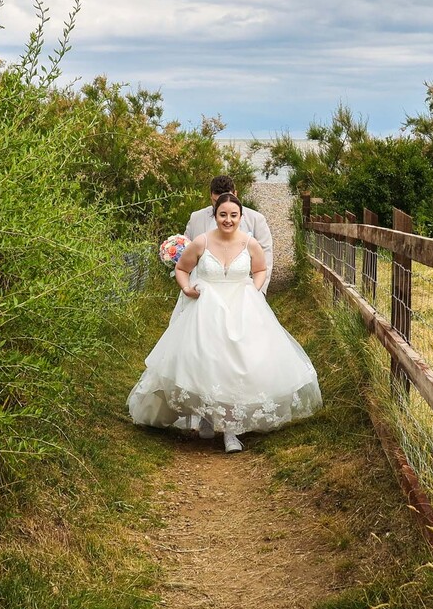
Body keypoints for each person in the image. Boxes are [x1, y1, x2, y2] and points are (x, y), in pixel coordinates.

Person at [128, 193, 322, 453]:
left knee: (238, 364)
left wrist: (253, 289)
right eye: (223, 214)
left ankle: (231, 430)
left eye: (233, 215)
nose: (228, 220)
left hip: (241, 307)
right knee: (206, 360)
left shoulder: (250, 243)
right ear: (215, 215)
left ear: (241, 217)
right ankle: (207, 417)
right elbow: (182, 269)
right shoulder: (201, 242)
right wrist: (187, 289)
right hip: (207, 308)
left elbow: (261, 269)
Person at [185, 175, 273, 293]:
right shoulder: (196, 217)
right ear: (210, 195)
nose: (220, 206)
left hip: (241, 292)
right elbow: (185, 248)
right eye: (216, 201)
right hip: (202, 291)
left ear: (235, 194)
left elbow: (266, 257)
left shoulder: (256, 219)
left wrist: (258, 292)